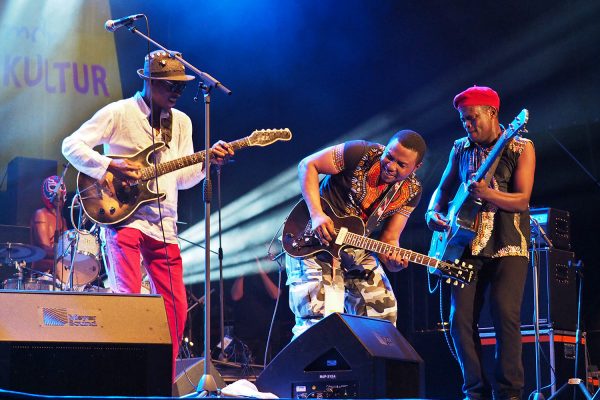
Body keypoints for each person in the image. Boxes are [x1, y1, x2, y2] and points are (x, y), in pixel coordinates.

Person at [62, 49, 234, 380]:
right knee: (131, 304)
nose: (176, 92)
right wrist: (109, 164)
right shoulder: (119, 113)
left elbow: (180, 178)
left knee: (176, 310)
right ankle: (128, 379)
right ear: (150, 82)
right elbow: (71, 145)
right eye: (170, 85)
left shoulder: (181, 121)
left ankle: (159, 379)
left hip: (164, 226)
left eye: (180, 87)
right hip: (123, 219)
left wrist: (206, 163)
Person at [425, 86, 535, 400]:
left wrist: (489, 195)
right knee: (459, 321)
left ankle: (510, 393)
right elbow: (443, 189)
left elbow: (523, 200)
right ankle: (474, 391)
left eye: (473, 119)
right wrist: (433, 212)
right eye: (463, 121)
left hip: (507, 243)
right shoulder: (460, 147)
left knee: (505, 315)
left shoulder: (521, 146)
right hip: (463, 246)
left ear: (493, 113)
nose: (468, 126)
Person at [285, 130, 426, 338]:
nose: (390, 166)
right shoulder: (360, 152)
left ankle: (370, 369)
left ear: (416, 167)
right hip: (313, 240)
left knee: (383, 315)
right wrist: (316, 214)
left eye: (401, 165)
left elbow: (389, 240)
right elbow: (308, 165)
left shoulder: (412, 191)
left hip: (356, 246)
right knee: (321, 321)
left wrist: (393, 261)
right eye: (389, 156)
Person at [30, 175, 68, 274]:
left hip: (61, 269)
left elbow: (66, 245)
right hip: (42, 273)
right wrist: (69, 257)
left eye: (61, 190)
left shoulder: (62, 220)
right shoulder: (41, 214)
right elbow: (44, 249)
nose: (58, 196)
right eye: (54, 190)